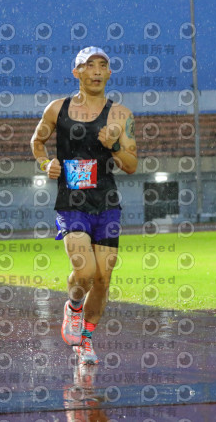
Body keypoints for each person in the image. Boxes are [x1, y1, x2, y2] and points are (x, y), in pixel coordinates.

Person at [30, 46, 138, 364]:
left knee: (103, 279)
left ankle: (85, 340)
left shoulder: (121, 115)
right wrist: (45, 163)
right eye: (89, 65)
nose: (96, 71)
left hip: (106, 201)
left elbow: (132, 165)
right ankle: (73, 307)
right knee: (85, 270)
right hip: (72, 201)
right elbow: (37, 141)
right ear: (76, 72)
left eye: (102, 65)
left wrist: (114, 146)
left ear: (109, 73)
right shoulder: (57, 109)